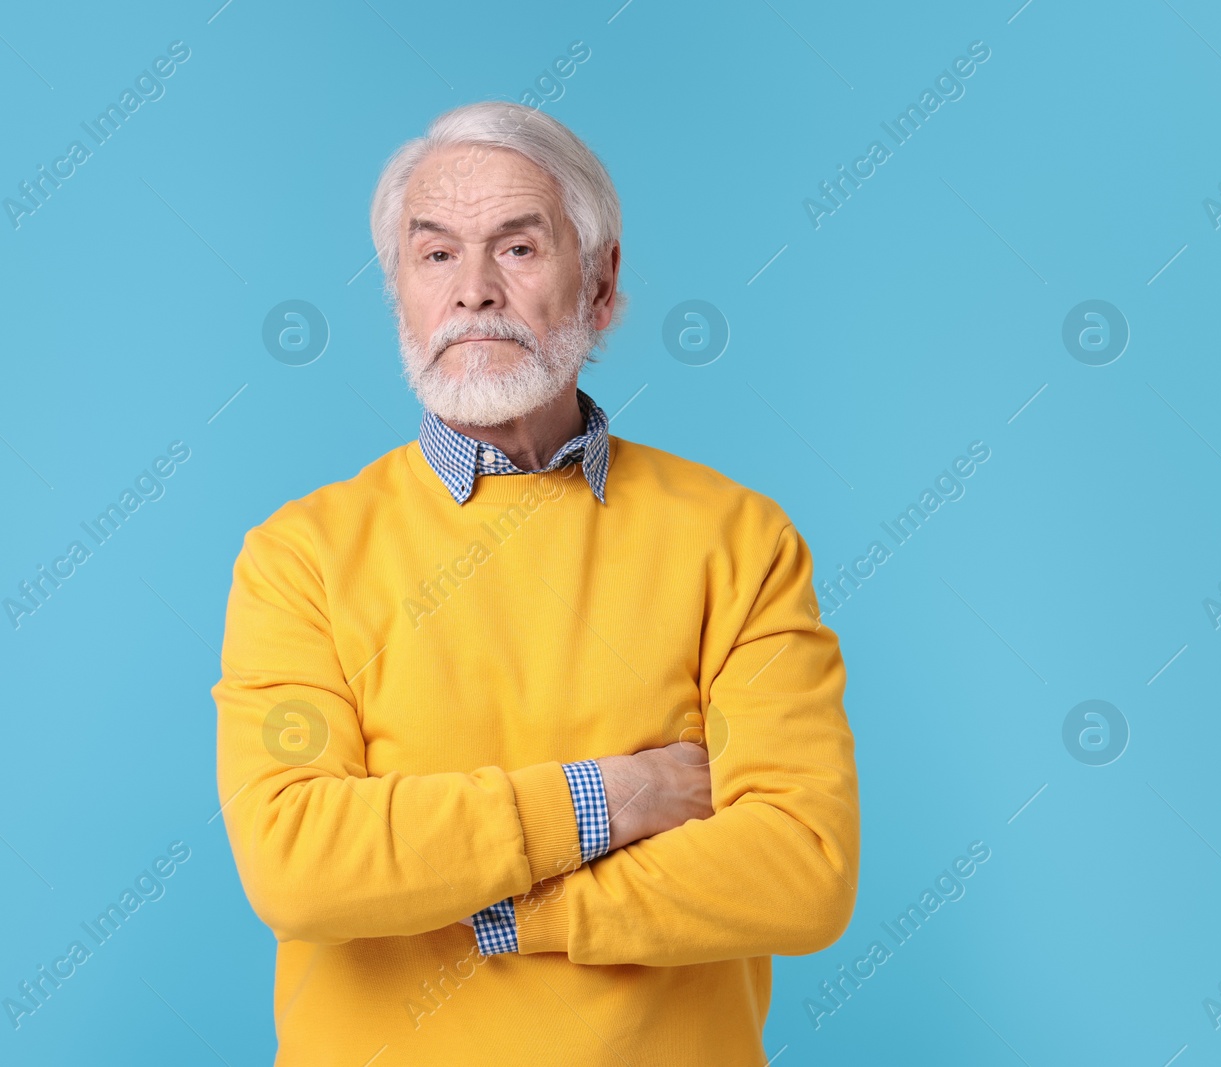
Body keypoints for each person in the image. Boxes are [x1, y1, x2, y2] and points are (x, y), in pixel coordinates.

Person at [212, 100, 858, 1065]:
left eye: (518, 248)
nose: (473, 292)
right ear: (400, 294)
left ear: (600, 286)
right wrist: (620, 796)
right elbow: (300, 864)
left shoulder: (738, 539)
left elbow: (800, 869)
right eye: (435, 256)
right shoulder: (298, 556)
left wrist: (505, 902)